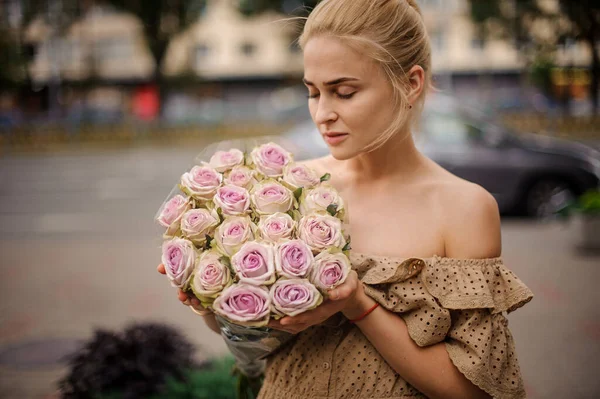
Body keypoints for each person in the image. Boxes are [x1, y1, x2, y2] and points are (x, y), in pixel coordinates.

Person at [158, 0, 534, 397]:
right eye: (313, 92)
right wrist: (209, 297)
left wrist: (358, 304)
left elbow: (473, 391)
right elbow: (258, 336)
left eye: (344, 92)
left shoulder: (464, 209)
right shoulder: (289, 189)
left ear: (411, 83)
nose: (322, 113)